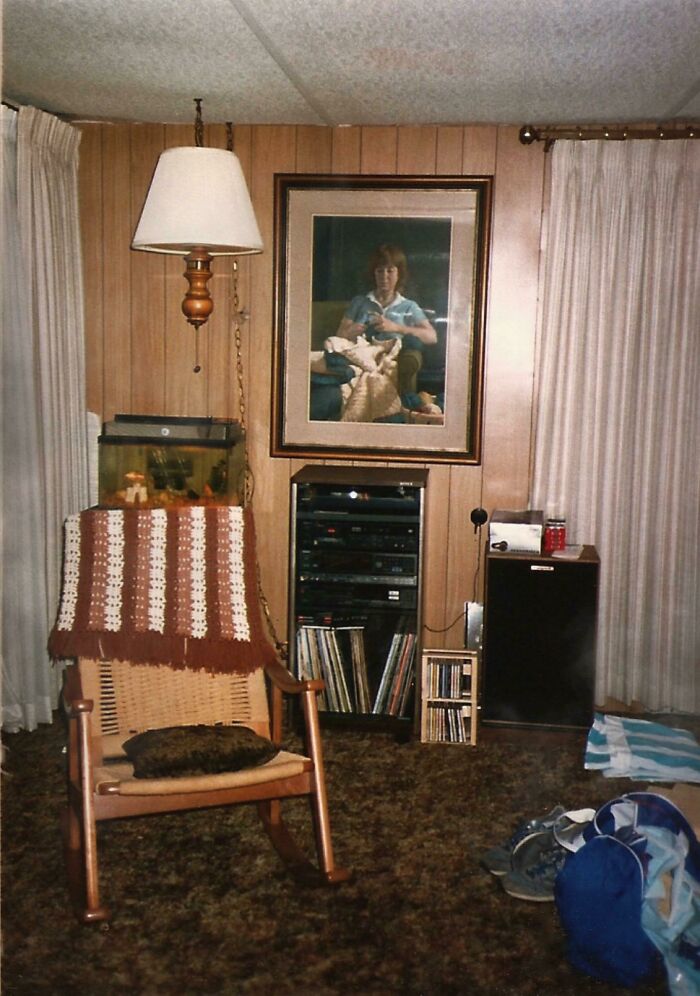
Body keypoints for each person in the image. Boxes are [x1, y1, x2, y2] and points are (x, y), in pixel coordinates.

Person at [335, 244, 437, 401]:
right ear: (373, 274)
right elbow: (339, 335)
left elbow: (431, 337)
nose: (384, 276)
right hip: (358, 361)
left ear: (399, 274)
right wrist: (353, 330)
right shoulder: (360, 302)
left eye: (390, 270)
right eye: (379, 271)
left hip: (389, 364)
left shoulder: (409, 306)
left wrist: (395, 327)